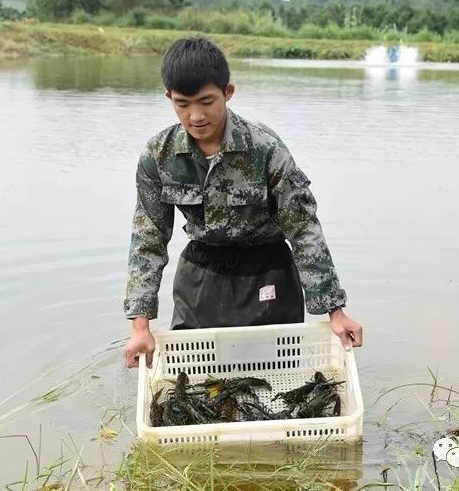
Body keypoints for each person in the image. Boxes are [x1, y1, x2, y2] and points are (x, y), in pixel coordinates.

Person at [122, 37, 363, 369]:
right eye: (183, 104)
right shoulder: (157, 156)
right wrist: (140, 326)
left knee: (277, 371)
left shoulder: (265, 149)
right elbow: (147, 240)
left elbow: (303, 228)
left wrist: (335, 311)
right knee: (195, 373)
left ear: (228, 92)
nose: (196, 116)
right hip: (202, 272)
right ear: (169, 98)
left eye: (207, 101)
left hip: (267, 270)